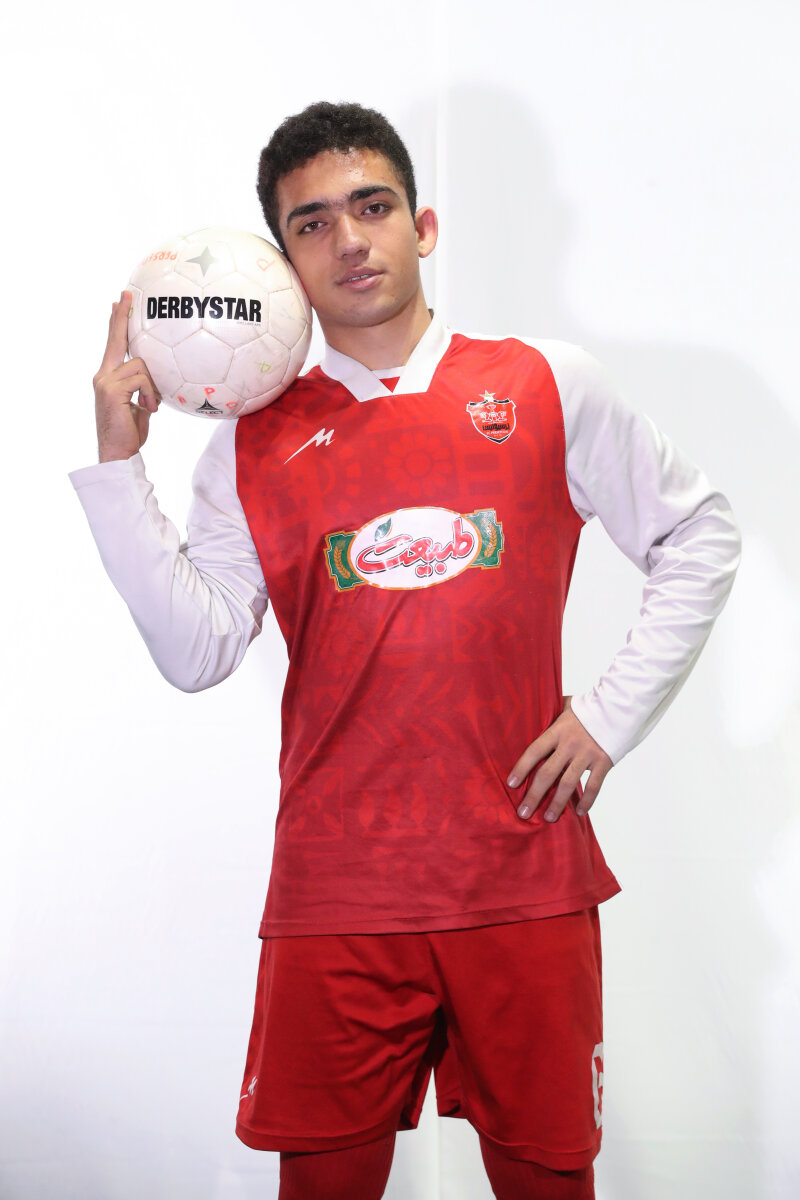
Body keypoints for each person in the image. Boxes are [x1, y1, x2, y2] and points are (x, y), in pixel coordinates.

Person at [71, 101, 740, 1200]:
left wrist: (607, 715)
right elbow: (196, 650)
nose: (348, 239)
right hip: (335, 893)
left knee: (547, 1184)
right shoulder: (249, 442)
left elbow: (696, 532)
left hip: (520, 876)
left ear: (421, 226)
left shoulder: (545, 382)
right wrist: (116, 467)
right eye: (312, 224)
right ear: (284, 265)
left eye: (371, 207)